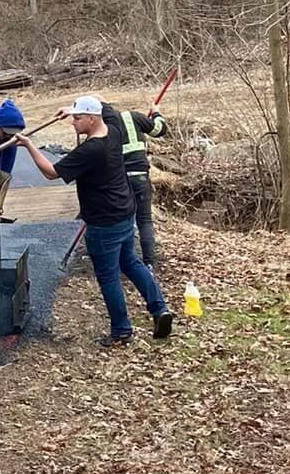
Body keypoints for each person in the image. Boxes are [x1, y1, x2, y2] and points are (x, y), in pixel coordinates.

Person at [18, 95, 174, 347]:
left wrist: (28, 145)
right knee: (132, 263)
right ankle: (160, 309)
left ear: (91, 119)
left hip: (103, 223)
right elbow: (106, 107)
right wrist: (70, 109)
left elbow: (51, 172)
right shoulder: (112, 129)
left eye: (77, 119)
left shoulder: (89, 150)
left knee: (109, 277)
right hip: (124, 213)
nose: (73, 123)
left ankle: (121, 330)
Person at [103, 97, 169, 266]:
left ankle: (123, 262)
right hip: (140, 177)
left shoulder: (101, 127)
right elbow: (160, 129)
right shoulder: (133, 117)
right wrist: (156, 112)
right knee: (144, 221)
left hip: (119, 182)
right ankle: (149, 264)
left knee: (121, 222)